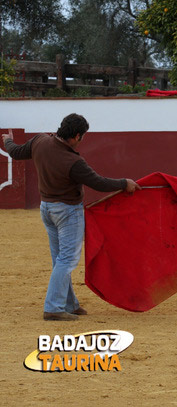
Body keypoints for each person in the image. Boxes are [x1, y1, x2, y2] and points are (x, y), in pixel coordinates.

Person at [1, 113, 141, 321]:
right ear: (76, 136)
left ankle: (69, 304)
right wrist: (124, 183)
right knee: (66, 260)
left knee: (59, 259)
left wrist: (8, 140)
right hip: (67, 212)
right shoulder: (73, 162)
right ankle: (54, 307)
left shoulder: (39, 141)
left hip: (46, 209)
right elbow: (99, 183)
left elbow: (16, 152)